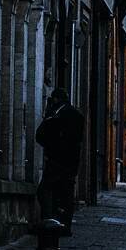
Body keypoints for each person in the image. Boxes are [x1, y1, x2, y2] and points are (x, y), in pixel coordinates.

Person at [36, 86, 85, 231]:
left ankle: (48, 222)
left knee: (44, 190)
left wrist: (50, 149)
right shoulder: (78, 116)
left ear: (56, 99)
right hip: (72, 162)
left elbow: (41, 135)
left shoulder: (56, 115)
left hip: (56, 160)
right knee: (67, 194)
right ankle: (65, 225)